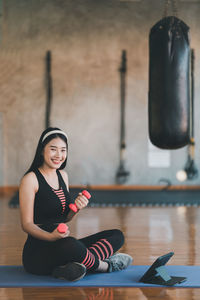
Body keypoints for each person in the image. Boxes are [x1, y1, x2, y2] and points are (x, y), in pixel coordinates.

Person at [19, 127, 133, 281]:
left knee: (116, 235)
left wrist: (76, 208)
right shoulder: (30, 179)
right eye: (53, 149)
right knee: (72, 245)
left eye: (63, 150)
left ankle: (75, 266)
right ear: (41, 150)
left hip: (62, 245)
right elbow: (26, 224)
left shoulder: (63, 176)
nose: (59, 155)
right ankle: (106, 266)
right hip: (38, 253)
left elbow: (64, 218)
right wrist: (51, 237)